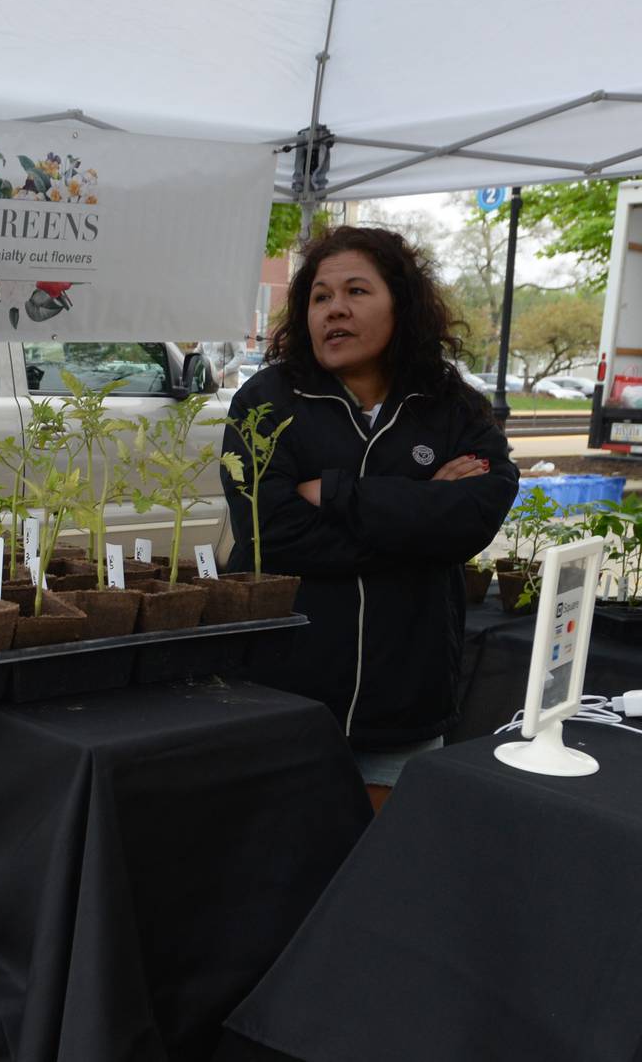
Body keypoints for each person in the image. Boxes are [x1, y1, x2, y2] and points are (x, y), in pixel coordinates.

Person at [221, 225, 518, 811]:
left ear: (401, 303)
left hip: (404, 697)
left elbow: (474, 518)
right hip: (281, 693)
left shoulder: (451, 405)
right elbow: (272, 536)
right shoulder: (265, 402)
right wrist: (420, 513)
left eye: (357, 291)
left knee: (386, 877)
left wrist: (335, 494)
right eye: (320, 296)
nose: (336, 310)